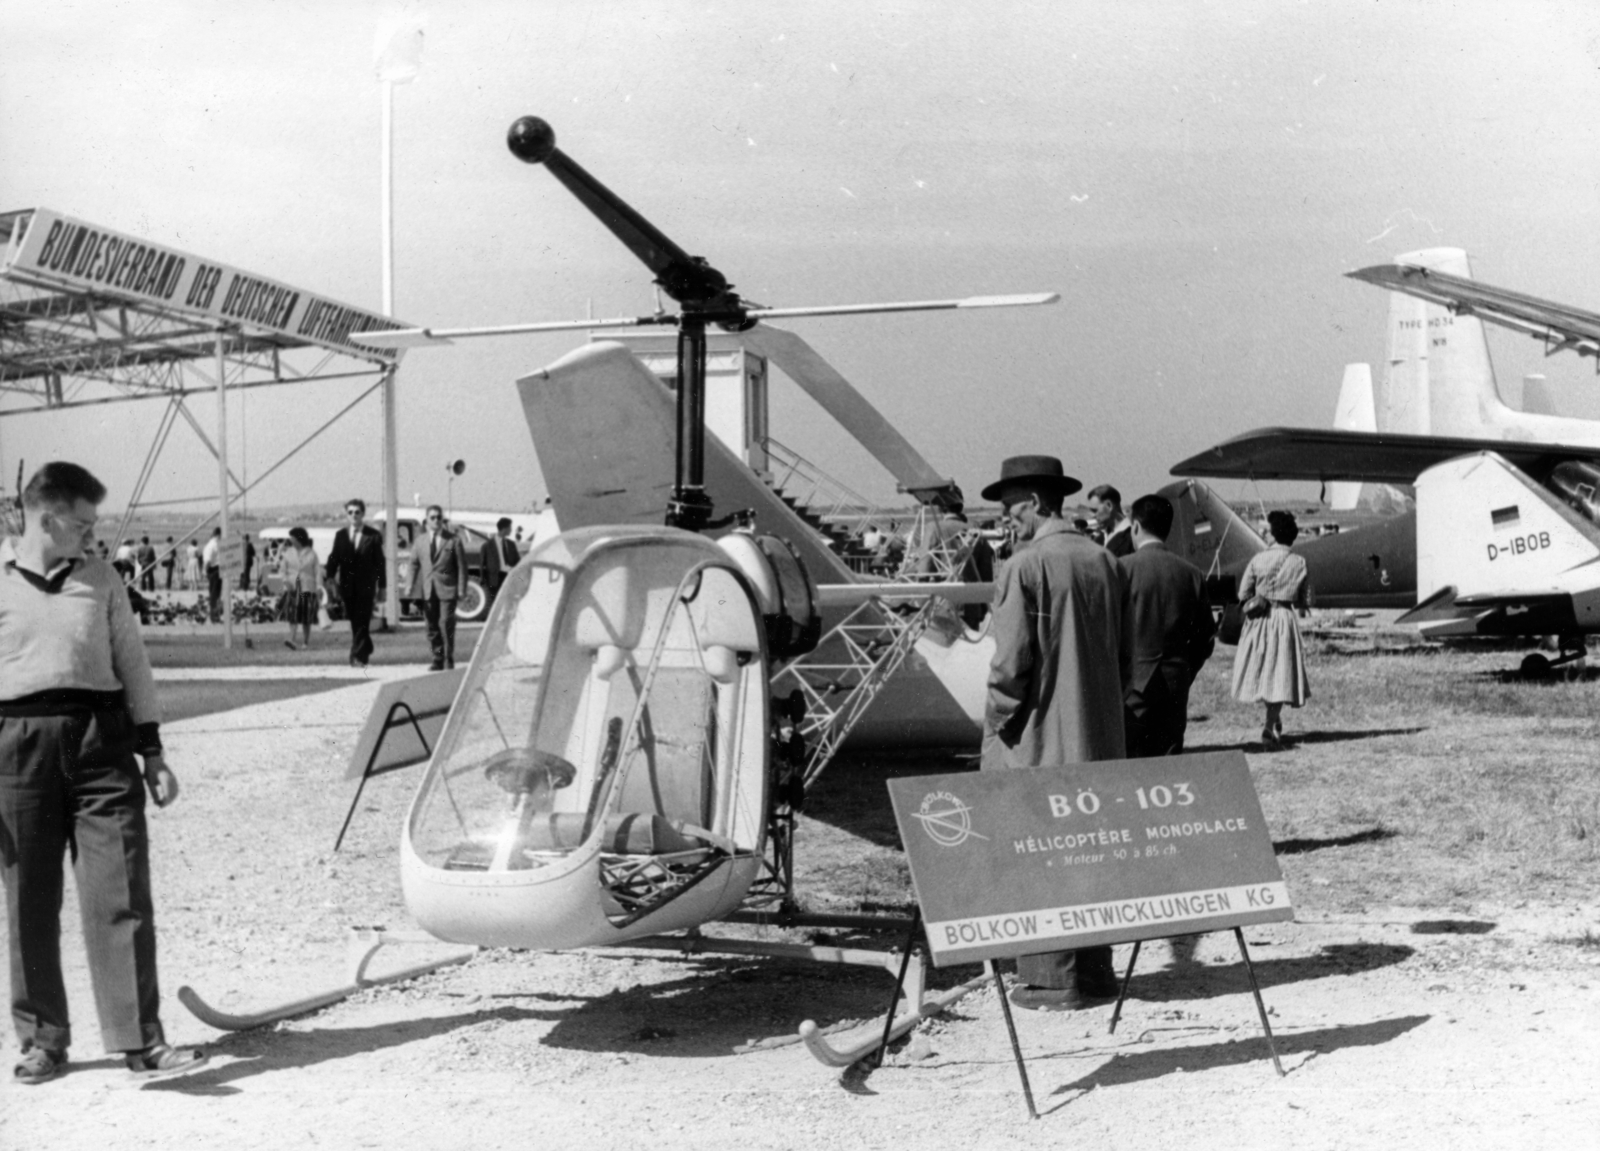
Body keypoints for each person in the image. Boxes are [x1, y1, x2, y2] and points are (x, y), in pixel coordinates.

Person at [0, 462, 208, 1084]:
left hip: (101, 746)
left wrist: (153, 752)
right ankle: (43, 1040)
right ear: (47, 516)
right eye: (84, 524)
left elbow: (134, 667)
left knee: (121, 894)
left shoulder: (103, 579)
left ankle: (141, 1040)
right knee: (29, 899)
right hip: (17, 748)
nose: (93, 536)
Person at [981, 454, 1131, 1011]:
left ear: (1038, 504)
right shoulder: (1104, 560)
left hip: (1041, 737)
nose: (1005, 518)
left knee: (1038, 853)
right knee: (1091, 852)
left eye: (1009, 507)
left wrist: (997, 723)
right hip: (1099, 734)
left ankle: (1050, 979)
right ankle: (1095, 972)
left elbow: (1009, 666)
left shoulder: (1025, 565)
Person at [1118, 494, 1215, 758]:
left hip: (1130, 685)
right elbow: (1205, 637)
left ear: (1135, 526)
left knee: (1128, 762)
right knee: (1169, 765)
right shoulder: (1191, 573)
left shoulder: (1121, 569)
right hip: (1175, 682)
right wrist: (1183, 669)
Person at [1232, 509, 1312, 747]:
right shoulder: (1299, 562)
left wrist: (1261, 594)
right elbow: (1307, 600)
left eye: (1267, 531)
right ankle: (1273, 720)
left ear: (1275, 534)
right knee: (1280, 671)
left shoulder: (1258, 559)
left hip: (1259, 620)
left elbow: (1242, 593)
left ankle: (1270, 723)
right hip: (1284, 618)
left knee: (1264, 671)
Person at [406, 505, 469, 671]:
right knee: (431, 626)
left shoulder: (453, 540)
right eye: (432, 517)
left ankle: (449, 659)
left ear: (442, 520)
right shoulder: (420, 541)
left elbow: (462, 567)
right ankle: (437, 658)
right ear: (426, 520)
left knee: (446, 623)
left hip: (448, 589)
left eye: (438, 517)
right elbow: (413, 564)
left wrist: (462, 589)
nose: (436, 520)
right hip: (428, 590)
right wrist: (409, 585)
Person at [324, 498, 386, 668]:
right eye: (350, 512)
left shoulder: (373, 536)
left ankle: (357, 656)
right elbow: (334, 558)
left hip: (366, 586)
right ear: (347, 515)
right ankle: (366, 645)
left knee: (362, 619)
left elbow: (380, 563)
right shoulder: (341, 535)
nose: (353, 515)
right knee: (355, 621)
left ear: (363, 514)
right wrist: (329, 577)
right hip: (347, 586)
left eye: (357, 512)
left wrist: (382, 587)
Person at [280, 527, 320, 651]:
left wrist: (318, 587)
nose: (291, 540)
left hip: (307, 587)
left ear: (299, 538)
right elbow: (283, 571)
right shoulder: (288, 553)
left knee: (306, 617)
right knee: (293, 615)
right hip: (292, 588)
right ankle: (292, 639)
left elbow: (317, 572)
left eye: (293, 537)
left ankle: (305, 642)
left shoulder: (311, 553)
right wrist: (285, 581)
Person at [479, 516, 520, 606]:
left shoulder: (511, 544)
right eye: (510, 527)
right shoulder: (487, 546)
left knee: (509, 603)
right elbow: (482, 565)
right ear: (504, 529)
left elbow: (518, 561)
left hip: (509, 577)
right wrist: (483, 581)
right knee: (496, 604)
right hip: (494, 579)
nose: (511, 530)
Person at [1086, 483, 1134, 557]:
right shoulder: (1099, 539)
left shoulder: (1133, 536)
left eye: (1095, 511)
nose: (1093, 516)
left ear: (1109, 506)